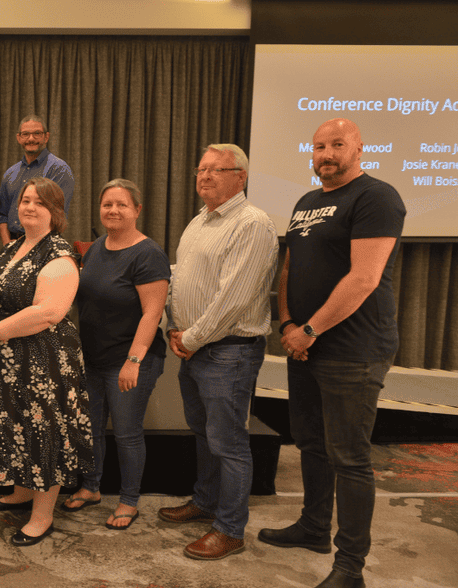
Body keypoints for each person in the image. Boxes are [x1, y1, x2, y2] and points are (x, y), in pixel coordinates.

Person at [259, 119, 405, 588]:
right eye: (320, 145)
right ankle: (313, 527)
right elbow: (289, 268)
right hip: (305, 343)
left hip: (353, 348)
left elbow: (364, 278)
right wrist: (287, 323)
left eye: (337, 144)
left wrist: (311, 329)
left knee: (350, 457)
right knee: (311, 443)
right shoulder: (307, 202)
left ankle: (350, 567)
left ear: (359, 148)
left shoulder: (377, 197)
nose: (326, 153)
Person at [159, 144, 278, 560]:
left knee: (228, 443)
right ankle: (206, 502)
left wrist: (189, 339)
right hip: (194, 348)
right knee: (204, 434)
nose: (204, 176)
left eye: (216, 170)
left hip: (229, 351)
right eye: (201, 169)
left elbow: (234, 300)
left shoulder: (253, 224)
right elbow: (179, 281)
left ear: (240, 177)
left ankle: (230, 530)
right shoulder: (197, 223)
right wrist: (174, 327)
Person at [0, 177, 93, 547]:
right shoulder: (12, 247)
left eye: (39, 202)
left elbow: (47, 313)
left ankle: (42, 516)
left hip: (43, 363)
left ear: (56, 211)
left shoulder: (59, 254)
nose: (29, 207)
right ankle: (22, 493)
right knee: (16, 427)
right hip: (5, 360)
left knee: (44, 434)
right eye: (25, 200)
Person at [64, 179, 170, 530]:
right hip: (93, 360)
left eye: (121, 204)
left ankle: (129, 500)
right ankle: (91, 487)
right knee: (91, 429)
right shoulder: (94, 248)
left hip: (131, 361)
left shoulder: (148, 254)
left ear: (137, 210)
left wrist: (134, 360)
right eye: (107, 204)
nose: (113, 210)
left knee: (126, 434)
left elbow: (152, 313)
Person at [0, 115, 74, 246]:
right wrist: (6, 244)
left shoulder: (59, 169)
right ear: (18, 138)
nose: (31, 139)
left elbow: (56, 215)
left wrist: (29, 245)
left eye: (37, 133)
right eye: (25, 134)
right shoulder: (10, 173)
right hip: (12, 244)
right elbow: (2, 214)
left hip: (43, 244)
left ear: (46, 137)